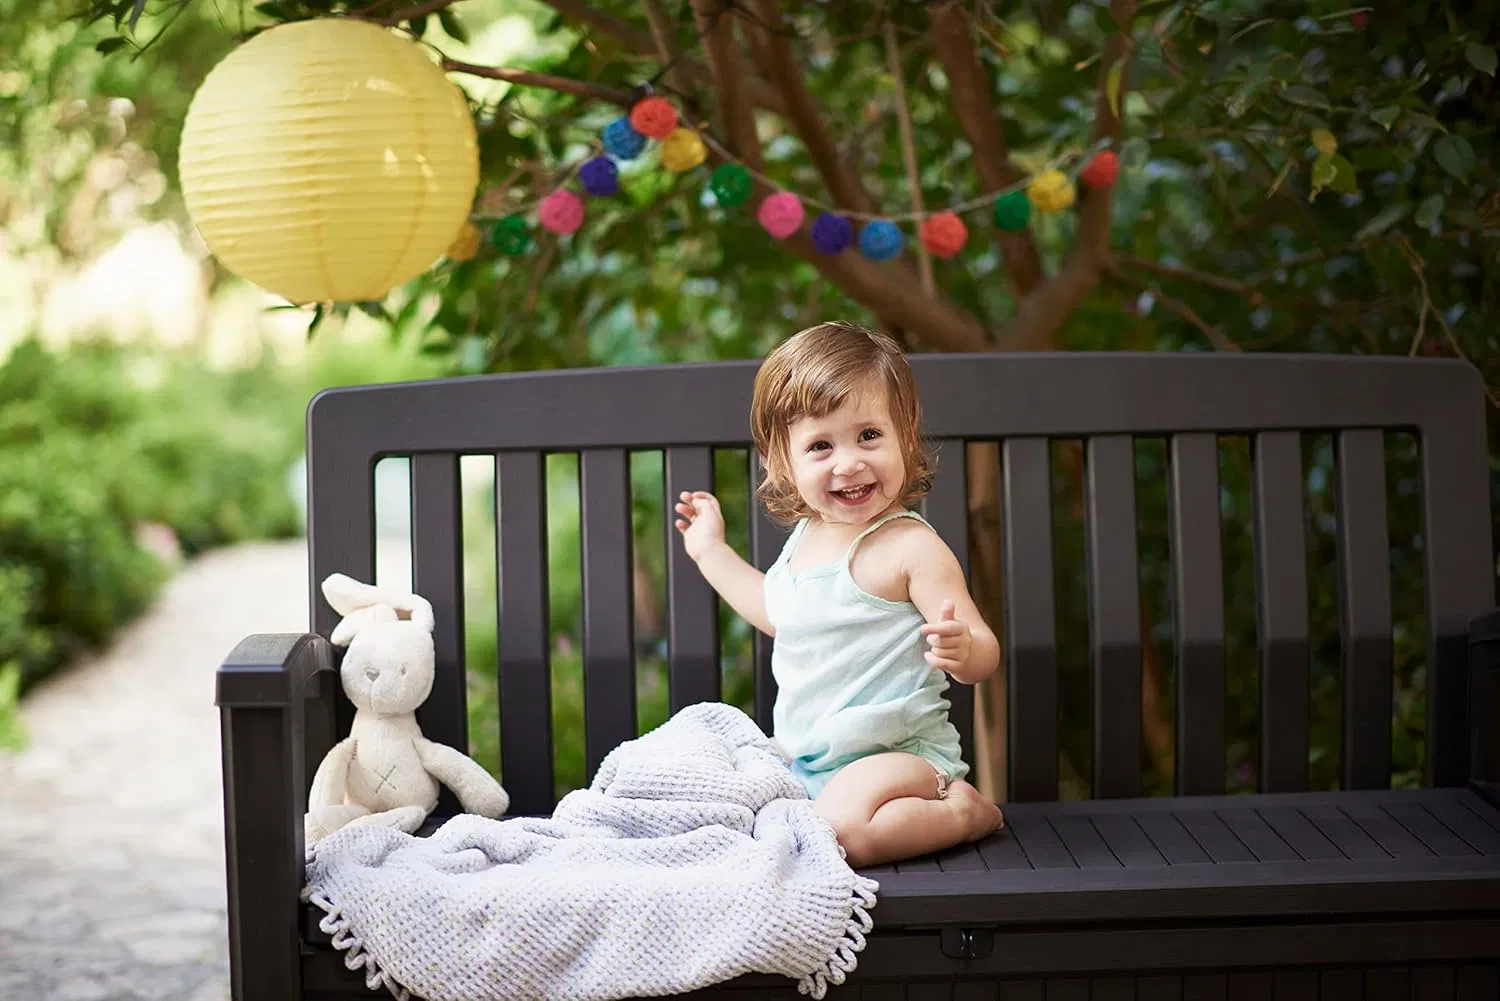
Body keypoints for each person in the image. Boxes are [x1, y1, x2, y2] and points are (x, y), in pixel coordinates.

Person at [673, 321, 1006, 868]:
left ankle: (965, 813)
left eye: (869, 436)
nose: (848, 462)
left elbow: (982, 648)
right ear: (782, 460)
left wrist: (963, 651)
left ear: (905, 433)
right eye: (821, 445)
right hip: (804, 762)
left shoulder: (910, 548)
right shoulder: (807, 540)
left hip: (901, 760)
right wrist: (710, 551)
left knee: (840, 834)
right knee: (715, 795)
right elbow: (776, 614)